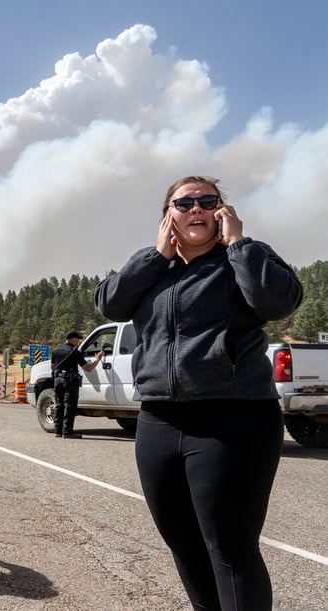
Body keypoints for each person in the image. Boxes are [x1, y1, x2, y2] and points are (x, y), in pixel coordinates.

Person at [95, 176, 302, 610]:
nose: (195, 209)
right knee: (184, 545)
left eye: (206, 202)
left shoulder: (244, 258)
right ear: (168, 214)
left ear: (221, 212)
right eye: (183, 202)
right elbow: (109, 304)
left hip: (234, 421)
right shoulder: (155, 270)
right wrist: (155, 256)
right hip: (159, 421)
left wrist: (239, 244)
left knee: (229, 549)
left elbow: (277, 302)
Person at [50, 331, 104, 438]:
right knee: (69, 406)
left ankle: (58, 431)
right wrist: (97, 360)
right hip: (70, 381)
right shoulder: (74, 352)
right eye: (77, 339)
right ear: (72, 339)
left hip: (58, 380)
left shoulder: (56, 350)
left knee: (59, 404)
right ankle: (67, 432)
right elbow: (88, 368)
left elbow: (52, 366)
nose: (79, 341)